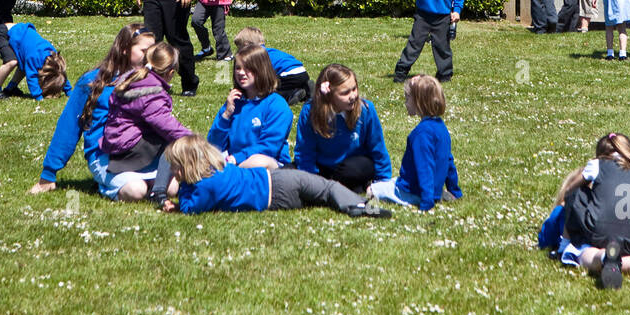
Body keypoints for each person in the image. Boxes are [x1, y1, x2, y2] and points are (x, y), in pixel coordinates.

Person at [29, 24, 160, 202]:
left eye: (153, 51)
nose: (150, 57)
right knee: (136, 191)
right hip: (105, 155)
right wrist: (48, 174)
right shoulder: (92, 81)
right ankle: (106, 185)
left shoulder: (150, 80)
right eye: (145, 51)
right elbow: (68, 127)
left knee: (173, 186)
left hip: (141, 153)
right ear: (124, 50)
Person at [546, 132, 630, 289]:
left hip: (601, 232)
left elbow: (571, 189)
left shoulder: (597, 164)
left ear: (600, 154)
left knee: (576, 194)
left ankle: (600, 255)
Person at [160, 135, 390, 218]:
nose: (173, 172)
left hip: (276, 197)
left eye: (176, 168)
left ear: (188, 166)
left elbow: (191, 208)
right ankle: (361, 205)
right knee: (327, 189)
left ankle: (357, 207)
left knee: (320, 197)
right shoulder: (219, 168)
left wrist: (180, 198)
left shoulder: (202, 188)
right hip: (279, 178)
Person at [100, 41, 194, 195]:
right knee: (174, 141)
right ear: (170, 73)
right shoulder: (152, 92)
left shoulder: (133, 79)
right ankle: (159, 190)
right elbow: (166, 126)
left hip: (117, 143)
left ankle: (158, 182)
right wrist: (194, 140)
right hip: (129, 150)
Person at [295, 64, 393, 193]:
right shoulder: (310, 112)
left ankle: (333, 187)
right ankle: (331, 188)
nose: (353, 96)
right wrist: (310, 181)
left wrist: (383, 181)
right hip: (322, 168)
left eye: (354, 89)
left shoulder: (366, 110)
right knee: (288, 171)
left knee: (362, 166)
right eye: (345, 93)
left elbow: (377, 148)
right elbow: (305, 151)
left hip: (350, 166)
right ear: (328, 95)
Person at [369, 75, 461, 212]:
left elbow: (425, 168)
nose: (406, 103)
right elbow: (448, 161)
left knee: (373, 188)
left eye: (407, 98)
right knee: (393, 180)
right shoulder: (441, 129)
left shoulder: (420, 134)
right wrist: (455, 190)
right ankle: (442, 194)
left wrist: (426, 202)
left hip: (414, 192)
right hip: (433, 189)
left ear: (418, 102)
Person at [208, 44, 294, 169]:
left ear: (261, 70)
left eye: (248, 68)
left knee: (257, 162)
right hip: (233, 162)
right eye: (238, 68)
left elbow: (268, 147)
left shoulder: (277, 105)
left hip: (269, 165)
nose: (241, 73)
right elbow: (213, 144)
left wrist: (237, 158)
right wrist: (225, 115)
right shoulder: (235, 102)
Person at [0, 22, 69, 101]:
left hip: (18, 32)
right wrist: (38, 97)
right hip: (4, 33)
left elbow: (61, 74)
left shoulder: (53, 55)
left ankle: (11, 88)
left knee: (24, 66)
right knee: (12, 62)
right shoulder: (34, 56)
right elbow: (31, 77)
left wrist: (69, 91)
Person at [233, 27, 311, 105]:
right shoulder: (270, 51)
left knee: (267, 93)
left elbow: (263, 75)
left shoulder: (258, 56)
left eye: (239, 48)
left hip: (288, 75)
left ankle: (291, 94)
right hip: (302, 72)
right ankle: (306, 89)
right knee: (286, 85)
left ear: (247, 46)